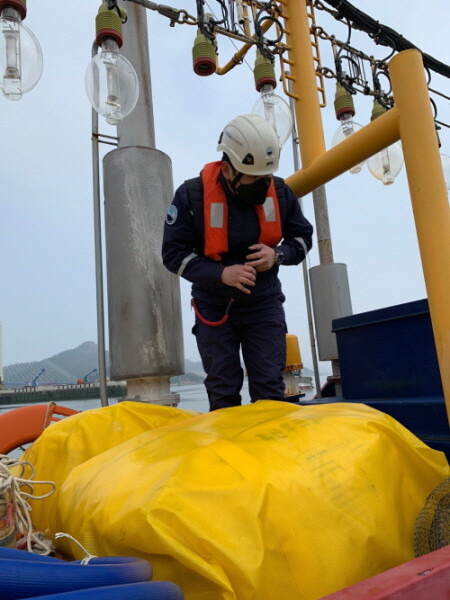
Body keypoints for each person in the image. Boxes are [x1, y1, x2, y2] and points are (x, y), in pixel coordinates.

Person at [162, 113, 313, 411]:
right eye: (254, 179)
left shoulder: (281, 193)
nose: (262, 185)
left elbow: (303, 238)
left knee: (269, 388)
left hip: (264, 304)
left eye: (265, 178)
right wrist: (221, 274)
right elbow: (173, 255)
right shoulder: (191, 196)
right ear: (229, 169)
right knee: (222, 390)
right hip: (214, 307)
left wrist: (277, 255)